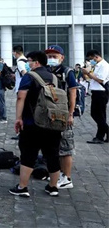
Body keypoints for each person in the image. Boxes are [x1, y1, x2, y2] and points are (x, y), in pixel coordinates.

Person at [10, 50, 63, 197]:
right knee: (52, 154)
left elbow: (21, 97)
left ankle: (22, 187)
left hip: (32, 122)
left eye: (29, 61)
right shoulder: (54, 77)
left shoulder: (30, 76)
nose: (28, 64)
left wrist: (18, 118)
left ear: (36, 62)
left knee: (28, 154)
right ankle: (53, 187)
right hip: (53, 122)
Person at [45, 45, 78, 189]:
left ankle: (67, 178)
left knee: (65, 147)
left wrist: (70, 114)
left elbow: (73, 93)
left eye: (54, 56)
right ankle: (57, 174)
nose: (51, 58)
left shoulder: (67, 72)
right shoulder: (47, 71)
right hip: (50, 113)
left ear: (62, 57)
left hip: (63, 114)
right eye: (49, 56)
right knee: (54, 147)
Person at [82, 49, 109, 144]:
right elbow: (91, 78)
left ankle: (104, 133)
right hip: (96, 91)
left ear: (96, 57)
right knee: (101, 115)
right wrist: (86, 73)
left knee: (96, 114)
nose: (90, 61)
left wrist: (88, 73)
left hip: (101, 92)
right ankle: (100, 136)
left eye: (91, 59)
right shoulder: (97, 65)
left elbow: (101, 80)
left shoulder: (104, 65)